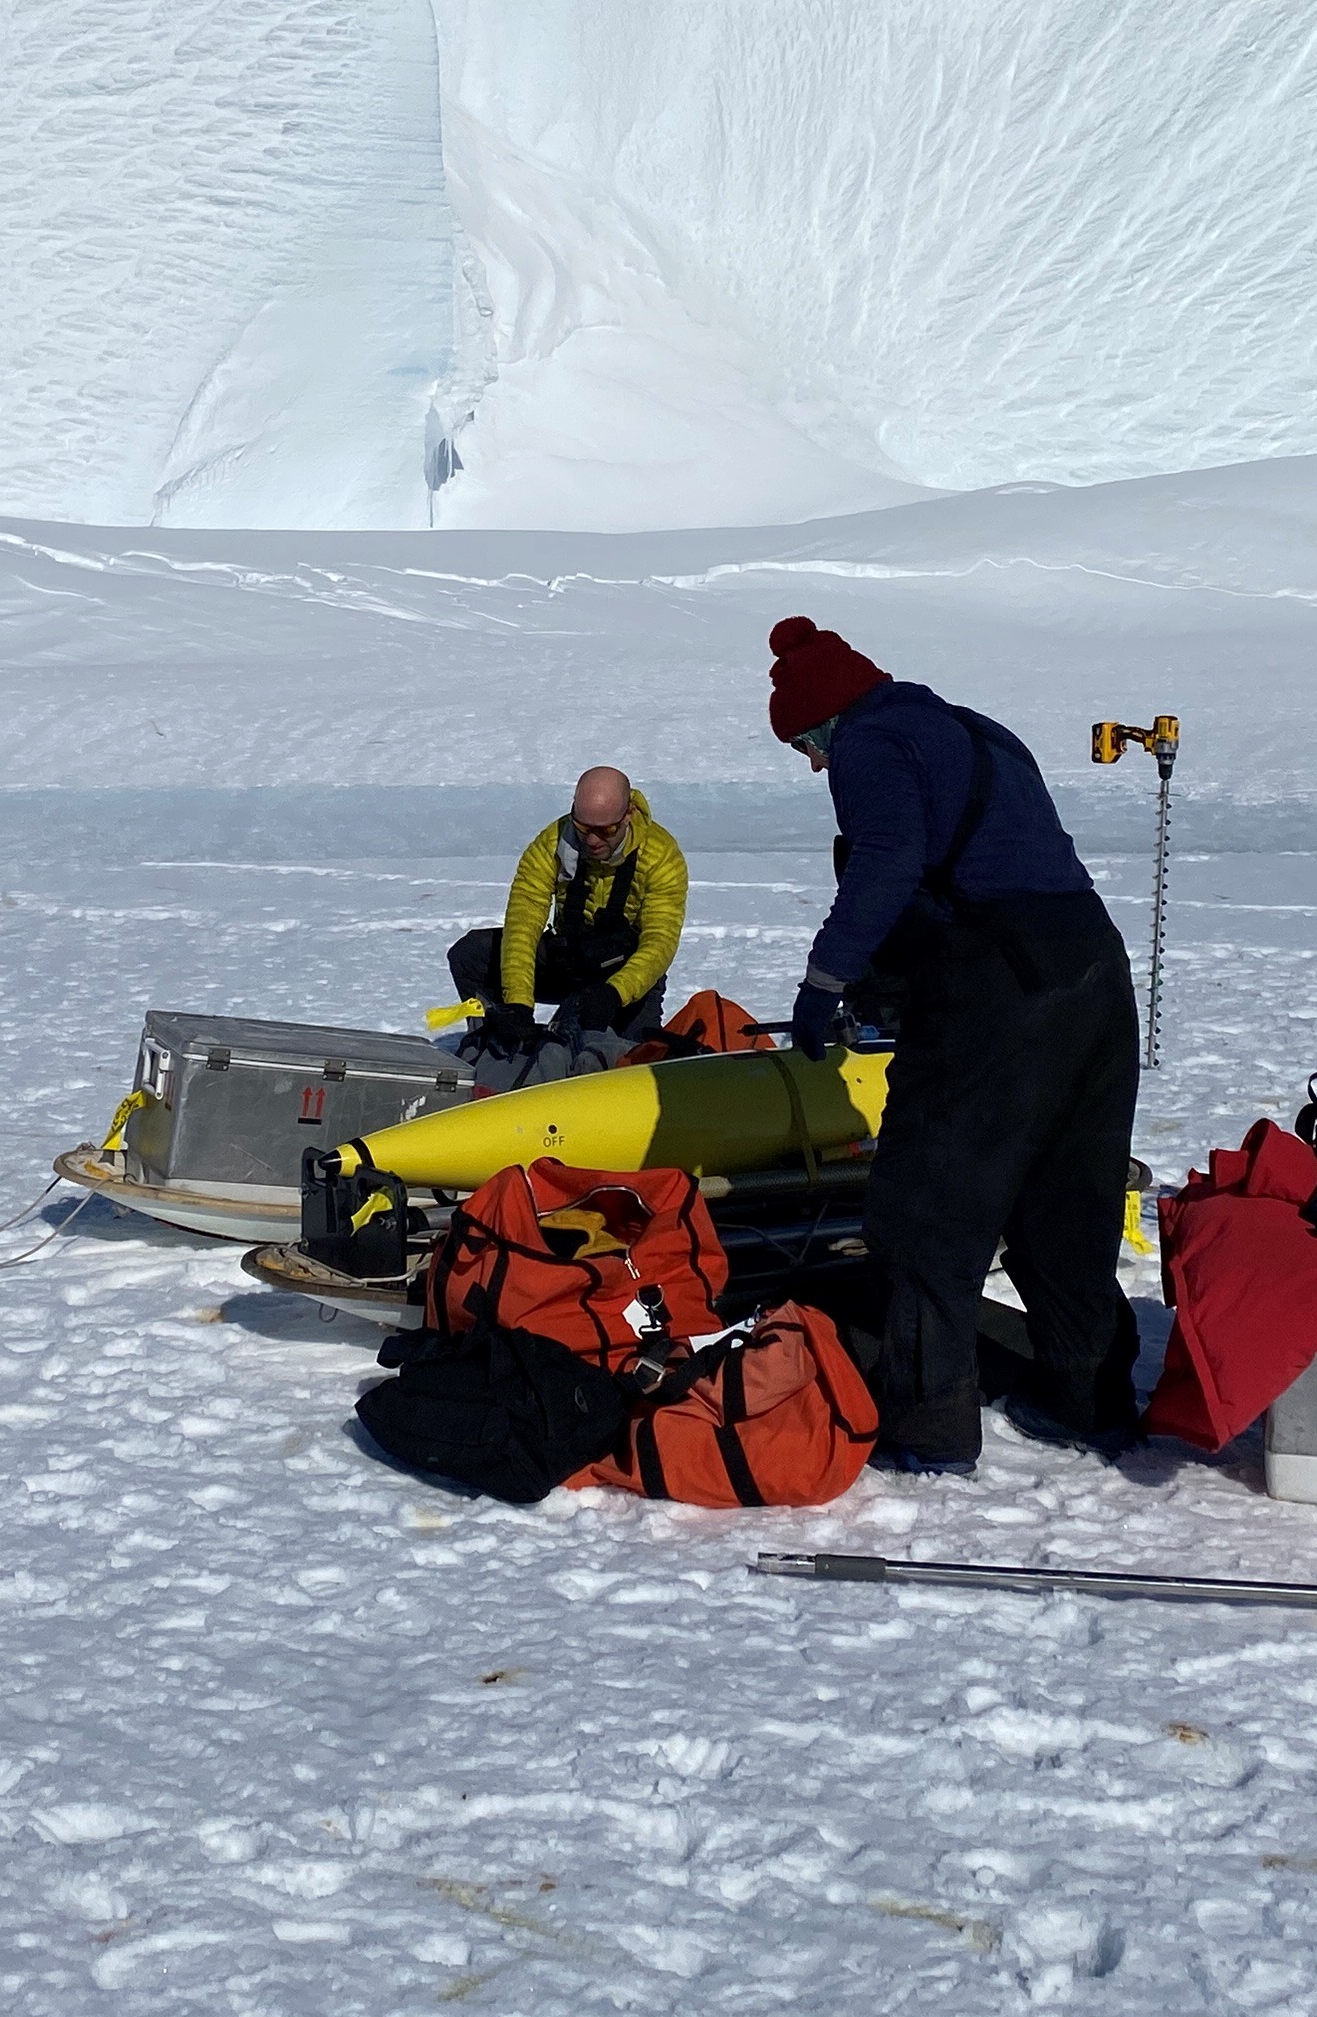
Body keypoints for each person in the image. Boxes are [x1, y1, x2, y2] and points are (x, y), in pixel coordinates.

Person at [766, 615, 1138, 1471]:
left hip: (997, 979)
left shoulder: (870, 742)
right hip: (1091, 969)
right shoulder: (978, 730)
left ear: (826, 721)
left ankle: (926, 1430)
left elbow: (889, 859)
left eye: (806, 748)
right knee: (1064, 1198)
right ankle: (1087, 1400)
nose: (818, 765)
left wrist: (826, 982)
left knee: (927, 1204)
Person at [449, 768, 689, 1068]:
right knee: (470, 954)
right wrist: (518, 1003)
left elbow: (659, 942)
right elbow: (523, 925)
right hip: (568, 961)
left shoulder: (662, 855)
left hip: (625, 978)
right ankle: (496, 1043)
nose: (591, 840)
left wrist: (615, 994)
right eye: (582, 826)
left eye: (606, 831)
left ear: (628, 814)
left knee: (628, 1063)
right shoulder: (551, 844)